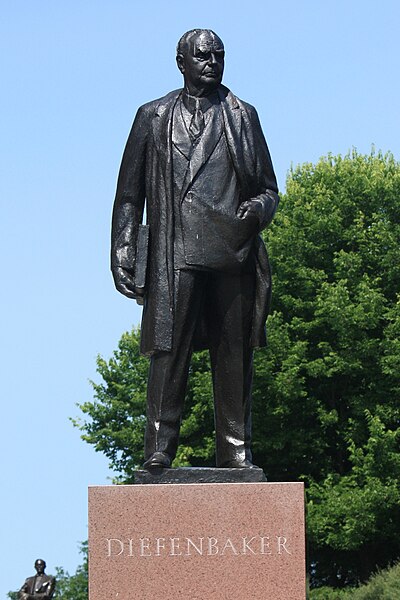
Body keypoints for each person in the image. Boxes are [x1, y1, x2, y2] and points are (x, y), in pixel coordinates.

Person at [111, 29, 279, 470]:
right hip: (175, 251)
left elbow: (268, 190)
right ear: (181, 62)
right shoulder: (152, 116)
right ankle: (159, 448)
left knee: (234, 352)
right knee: (168, 352)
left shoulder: (242, 115)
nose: (211, 62)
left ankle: (235, 449)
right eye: (202, 56)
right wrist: (123, 249)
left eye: (218, 55)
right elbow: (129, 195)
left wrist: (254, 213)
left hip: (231, 252)